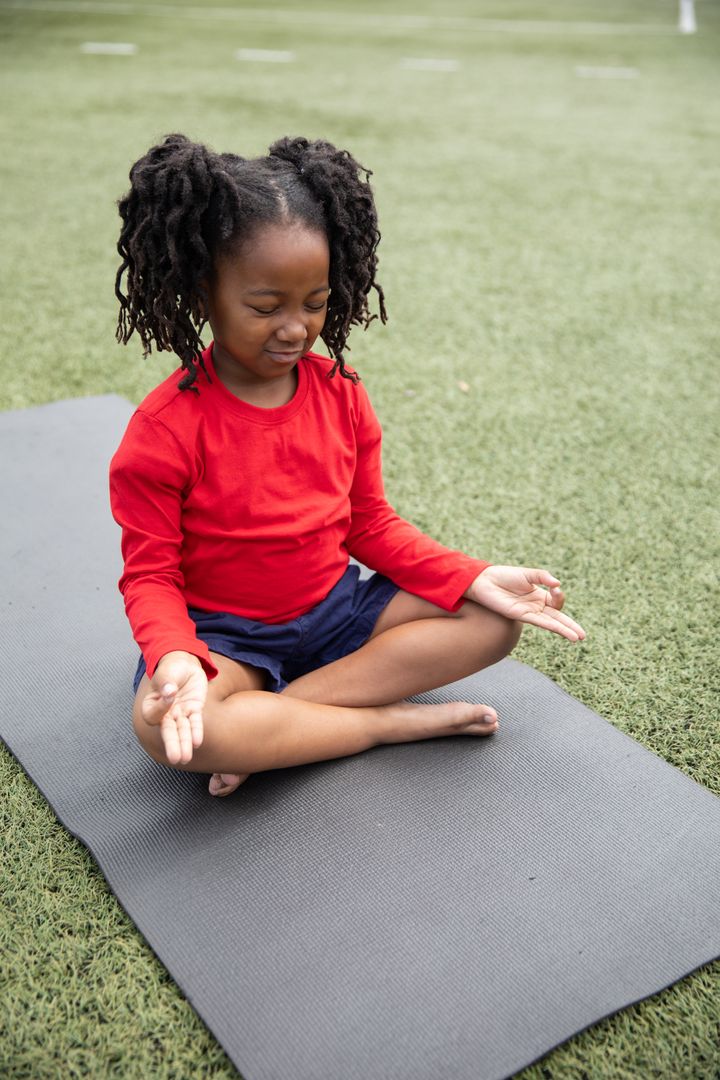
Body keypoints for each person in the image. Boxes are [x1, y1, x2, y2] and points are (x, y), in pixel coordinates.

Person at [110, 133, 585, 798]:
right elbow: (151, 576)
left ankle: (280, 727)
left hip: (338, 616)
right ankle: (378, 725)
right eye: (265, 306)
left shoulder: (341, 391)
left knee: (494, 619)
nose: (296, 328)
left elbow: (370, 524)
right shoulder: (161, 432)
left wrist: (470, 574)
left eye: (315, 302)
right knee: (163, 731)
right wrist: (176, 659)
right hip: (225, 642)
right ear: (201, 291)